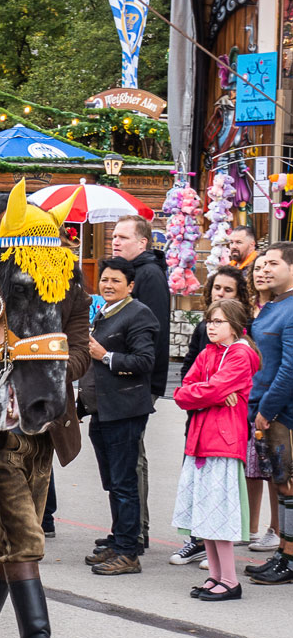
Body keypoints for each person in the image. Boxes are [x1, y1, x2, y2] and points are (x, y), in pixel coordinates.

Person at [0, 266, 89, 638]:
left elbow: (81, 350)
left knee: (3, 543)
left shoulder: (70, 284)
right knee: (26, 540)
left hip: (46, 428)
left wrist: (44, 367)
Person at [172, 299, 259, 601]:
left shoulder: (240, 355)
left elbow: (207, 389)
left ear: (235, 325)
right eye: (209, 320)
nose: (211, 326)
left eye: (218, 321)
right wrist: (217, 396)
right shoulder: (209, 352)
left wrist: (211, 393)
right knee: (204, 513)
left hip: (223, 442)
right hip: (200, 440)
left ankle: (231, 581)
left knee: (218, 513)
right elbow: (182, 392)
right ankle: (215, 576)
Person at [79, 257, 158, 575]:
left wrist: (106, 356)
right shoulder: (103, 312)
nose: (108, 285)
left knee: (125, 483)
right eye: (104, 280)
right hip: (102, 411)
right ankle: (119, 538)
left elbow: (144, 360)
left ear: (131, 286)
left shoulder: (139, 314)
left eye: (115, 281)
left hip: (124, 411)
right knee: (113, 482)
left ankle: (128, 551)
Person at [110, 215, 169, 552]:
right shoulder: (130, 274)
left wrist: (148, 384)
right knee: (123, 459)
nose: (116, 241)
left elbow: (152, 333)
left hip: (137, 381)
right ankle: (126, 529)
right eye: (114, 237)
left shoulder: (148, 275)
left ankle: (136, 532)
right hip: (122, 379)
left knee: (132, 459)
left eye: (123, 237)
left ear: (143, 243)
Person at [246, 242, 293, 584]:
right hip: (266, 409)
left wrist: (266, 408)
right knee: (282, 485)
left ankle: (288, 558)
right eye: (261, 264)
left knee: (288, 485)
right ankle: (284, 554)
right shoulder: (272, 307)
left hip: (281, 414)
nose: (263, 270)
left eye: (272, 264)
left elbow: (290, 369)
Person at [229, 224, 258, 293]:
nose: (233, 246)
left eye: (238, 242)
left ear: (251, 245)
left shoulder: (257, 269)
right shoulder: (230, 266)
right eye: (231, 242)